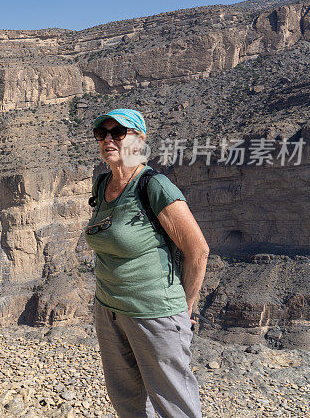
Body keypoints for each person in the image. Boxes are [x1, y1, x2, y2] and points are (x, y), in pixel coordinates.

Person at [84, 108, 209, 418]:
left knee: (174, 404)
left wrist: (186, 307)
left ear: (139, 140)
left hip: (155, 313)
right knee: (128, 402)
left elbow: (198, 251)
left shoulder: (155, 186)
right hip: (110, 310)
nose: (109, 139)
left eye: (118, 133)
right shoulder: (102, 185)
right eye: (103, 134)